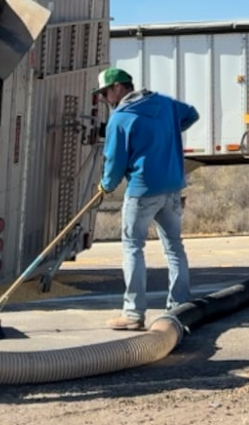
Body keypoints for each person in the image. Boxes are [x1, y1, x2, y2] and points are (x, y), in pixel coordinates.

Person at [94, 67, 199, 331]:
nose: (105, 98)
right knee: (174, 246)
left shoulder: (121, 118)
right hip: (173, 187)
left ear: (118, 87)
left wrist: (106, 186)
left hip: (143, 191)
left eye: (106, 92)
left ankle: (133, 314)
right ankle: (179, 305)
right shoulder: (164, 104)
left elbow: (115, 163)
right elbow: (192, 114)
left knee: (132, 247)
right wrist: (168, 132)